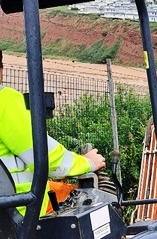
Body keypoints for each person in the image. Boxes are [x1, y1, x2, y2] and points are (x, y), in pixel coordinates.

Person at [0, 50, 106, 215]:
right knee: (92, 210)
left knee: (62, 190)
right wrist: (88, 162)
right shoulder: (6, 101)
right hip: (17, 214)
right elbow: (46, 159)